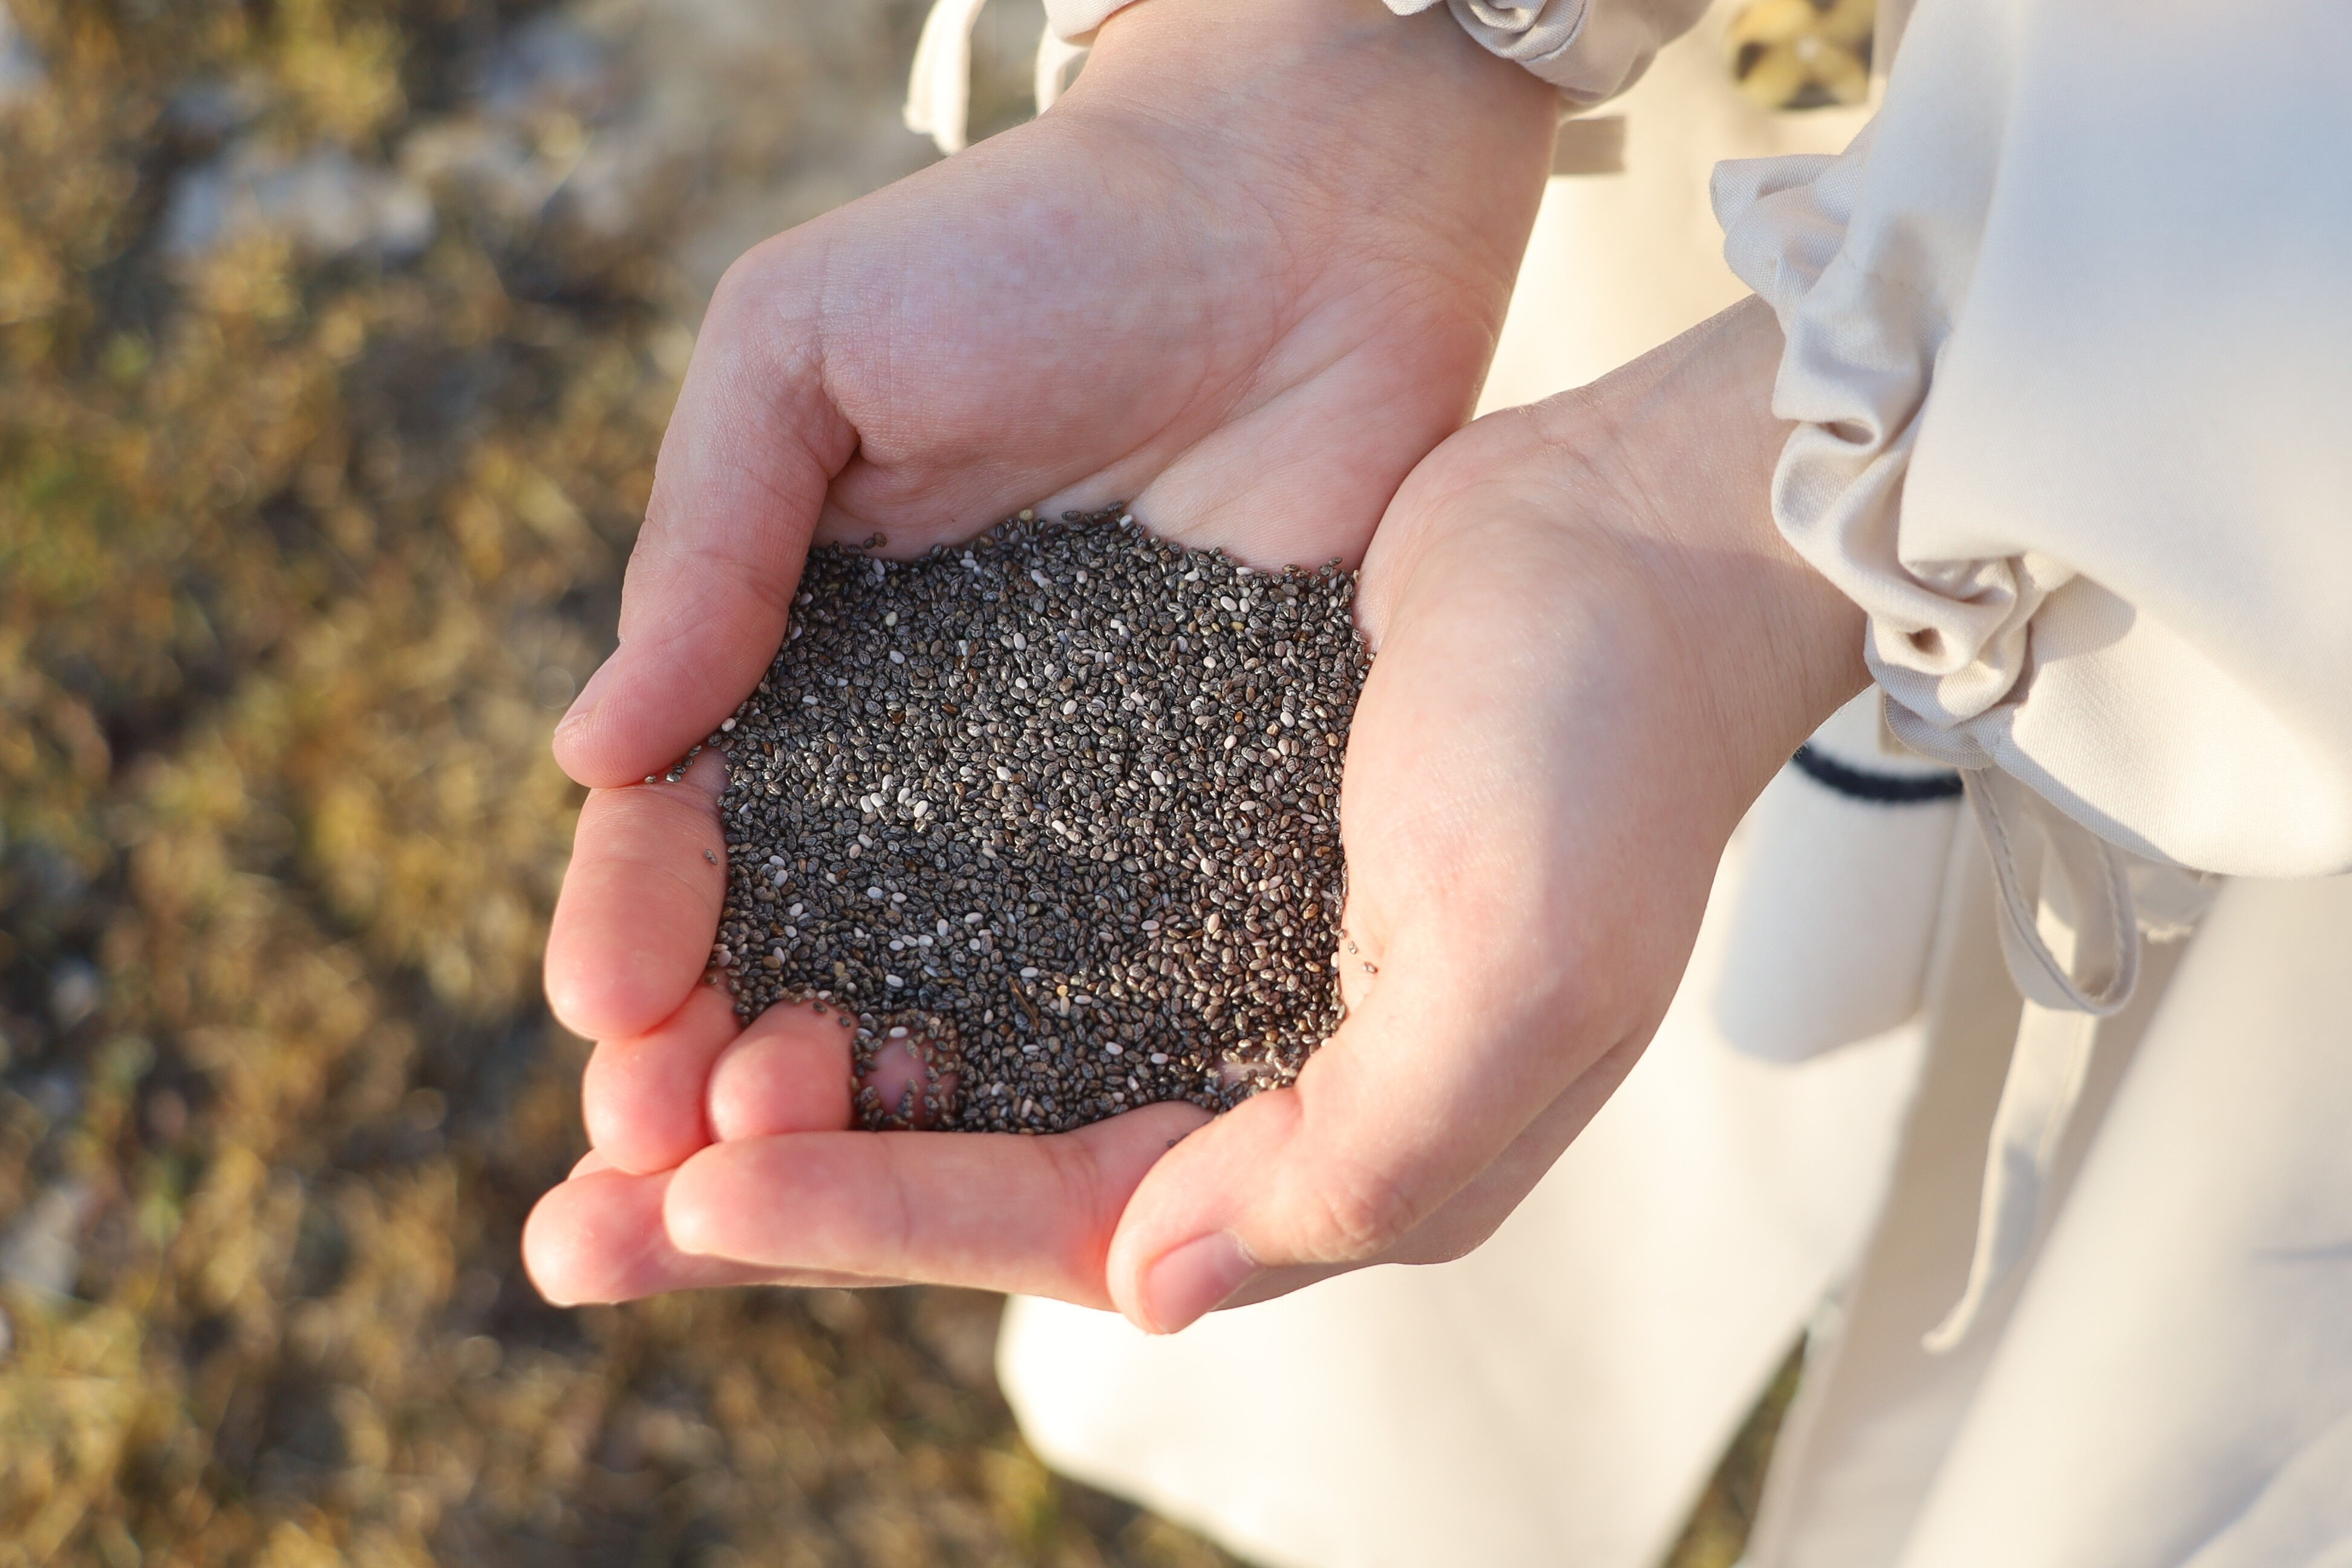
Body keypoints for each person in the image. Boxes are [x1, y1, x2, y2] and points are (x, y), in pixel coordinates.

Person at [522, 1, 2352, 1563]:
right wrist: (1305, 57)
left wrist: (1758, 483)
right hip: (1546, 241)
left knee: (2117, 1328)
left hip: (2258, 461)